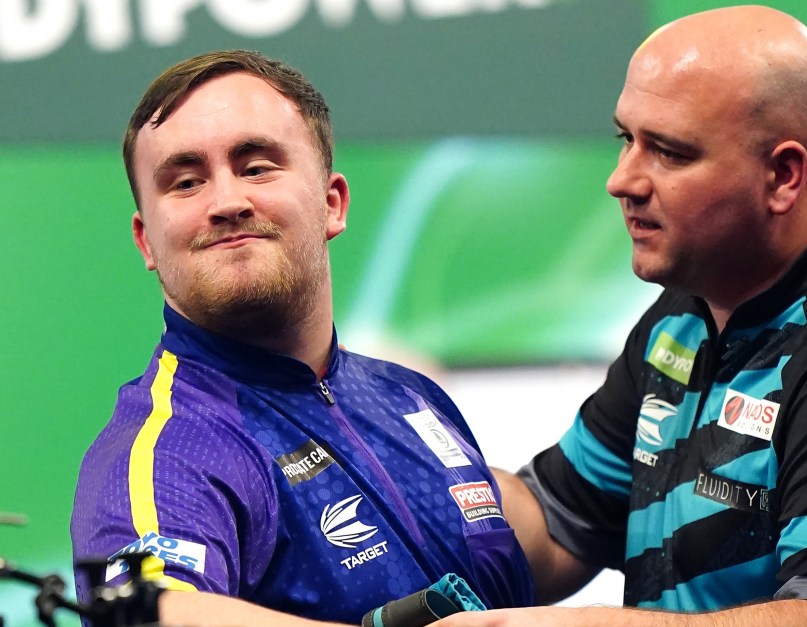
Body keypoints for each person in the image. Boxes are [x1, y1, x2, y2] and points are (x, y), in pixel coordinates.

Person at [436, 5, 807, 627]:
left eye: (670, 153)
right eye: (626, 139)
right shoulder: (684, 314)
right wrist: (395, 484)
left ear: (784, 175)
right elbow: (555, 525)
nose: (621, 180)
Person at [70, 50, 533, 626]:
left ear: (332, 203)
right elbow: (153, 617)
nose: (227, 202)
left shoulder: (414, 396)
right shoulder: (168, 450)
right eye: (186, 182)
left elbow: (544, 548)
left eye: (257, 167)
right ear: (146, 242)